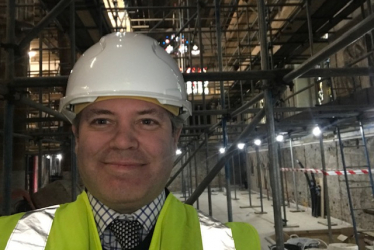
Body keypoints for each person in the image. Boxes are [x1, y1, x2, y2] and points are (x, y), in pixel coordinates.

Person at [0, 32, 260, 250]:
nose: (123, 142)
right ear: (77, 136)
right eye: (102, 121)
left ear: (174, 137)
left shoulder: (235, 244)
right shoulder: (9, 240)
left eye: (147, 121)